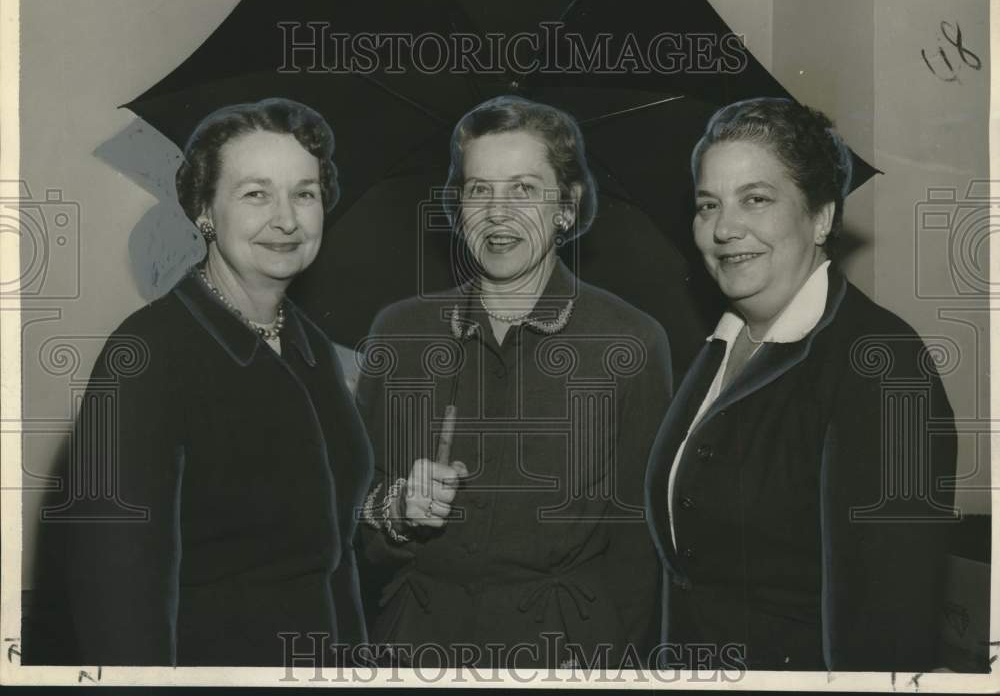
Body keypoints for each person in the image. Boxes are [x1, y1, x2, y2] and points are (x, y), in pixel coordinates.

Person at [31, 98, 372, 666]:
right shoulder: (147, 354)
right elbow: (115, 605)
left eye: (304, 193)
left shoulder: (311, 351)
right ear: (204, 211)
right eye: (256, 193)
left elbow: (325, 544)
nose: (286, 219)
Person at [355, 96, 673, 670]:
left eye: (524, 188)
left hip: (566, 651)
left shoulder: (629, 341)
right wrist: (398, 511)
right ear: (457, 207)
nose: (498, 213)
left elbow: (638, 549)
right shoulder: (399, 331)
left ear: (567, 207)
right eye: (479, 189)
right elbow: (353, 519)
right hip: (415, 645)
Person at [645, 97, 958, 672]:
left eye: (755, 200)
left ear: (820, 217)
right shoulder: (717, 346)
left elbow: (893, 622)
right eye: (707, 204)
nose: (723, 228)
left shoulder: (882, 363)